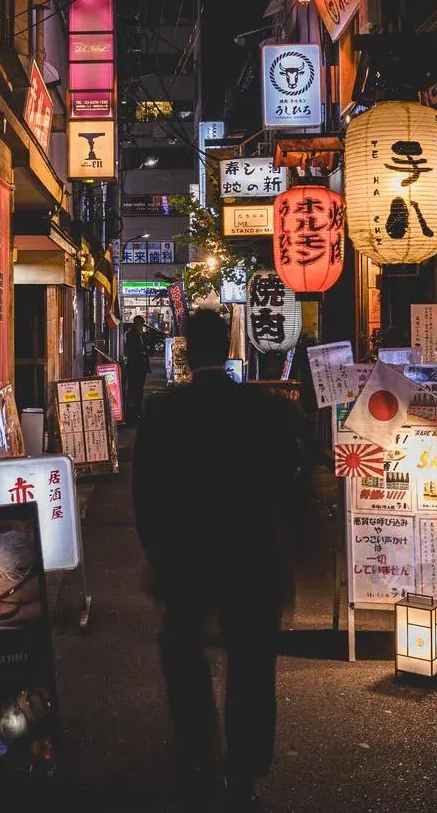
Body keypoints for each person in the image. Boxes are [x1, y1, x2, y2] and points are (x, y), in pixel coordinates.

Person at [132, 309, 306, 810]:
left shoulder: (166, 413)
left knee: (183, 653)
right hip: (253, 560)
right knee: (252, 665)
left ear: (188, 349)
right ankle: (246, 770)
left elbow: (147, 494)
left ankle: (198, 754)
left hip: (187, 559)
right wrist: (290, 548)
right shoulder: (264, 410)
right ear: (228, 347)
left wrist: (156, 552)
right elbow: (289, 487)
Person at [122, 314, 152, 421]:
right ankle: (132, 411)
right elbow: (132, 350)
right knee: (133, 388)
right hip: (134, 365)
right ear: (136, 324)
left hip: (142, 365)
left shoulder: (141, 335)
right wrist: (142, 351)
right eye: (140, 324)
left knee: (140, 388)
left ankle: (138, 410)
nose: (141, 326)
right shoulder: (131, 335)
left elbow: (146, 347)